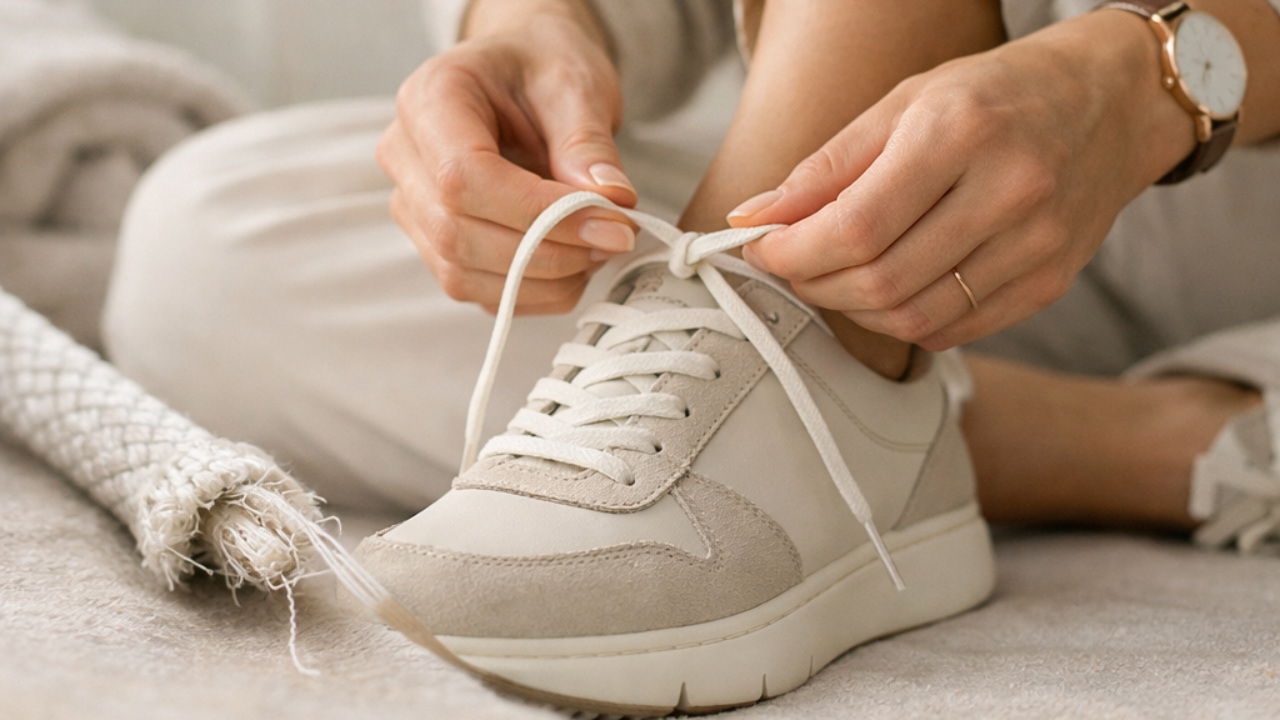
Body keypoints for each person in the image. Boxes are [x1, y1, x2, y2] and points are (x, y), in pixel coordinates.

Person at [102, 0, 1280, 711]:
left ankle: (805, 385)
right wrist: (532, 29)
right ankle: (1091, 440)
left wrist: (1159, 81)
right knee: (201, 249)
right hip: (877, 224)